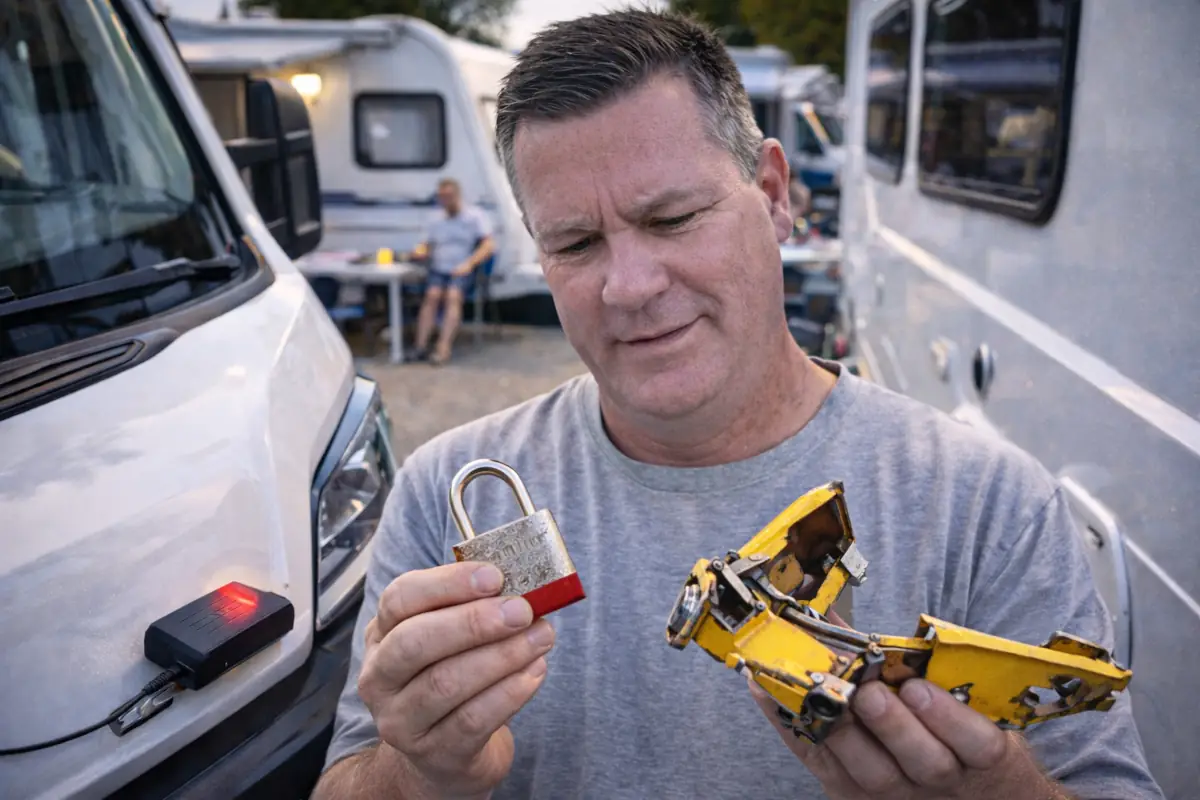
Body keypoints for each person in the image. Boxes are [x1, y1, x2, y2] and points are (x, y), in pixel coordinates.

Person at [311, 9, 1163, 800]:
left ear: (775, 195)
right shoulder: (450, 491)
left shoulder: (985, 503)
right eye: (576, 242)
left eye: (674, 218)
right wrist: (422, 771)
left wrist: (1000, 787)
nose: (630, 285)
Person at [408, 177, 495, 364]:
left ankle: (443, 348)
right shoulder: (435, 219)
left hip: (462, 268)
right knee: (432, 296)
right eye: (442, 197)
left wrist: (469, 264)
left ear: (458, 195)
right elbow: (426, 244)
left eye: (449, 196)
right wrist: (419, 252)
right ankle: (420, 346)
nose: (445, 200)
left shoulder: (474, 216)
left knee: (453, 296)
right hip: (439, 268)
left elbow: (488, 246)